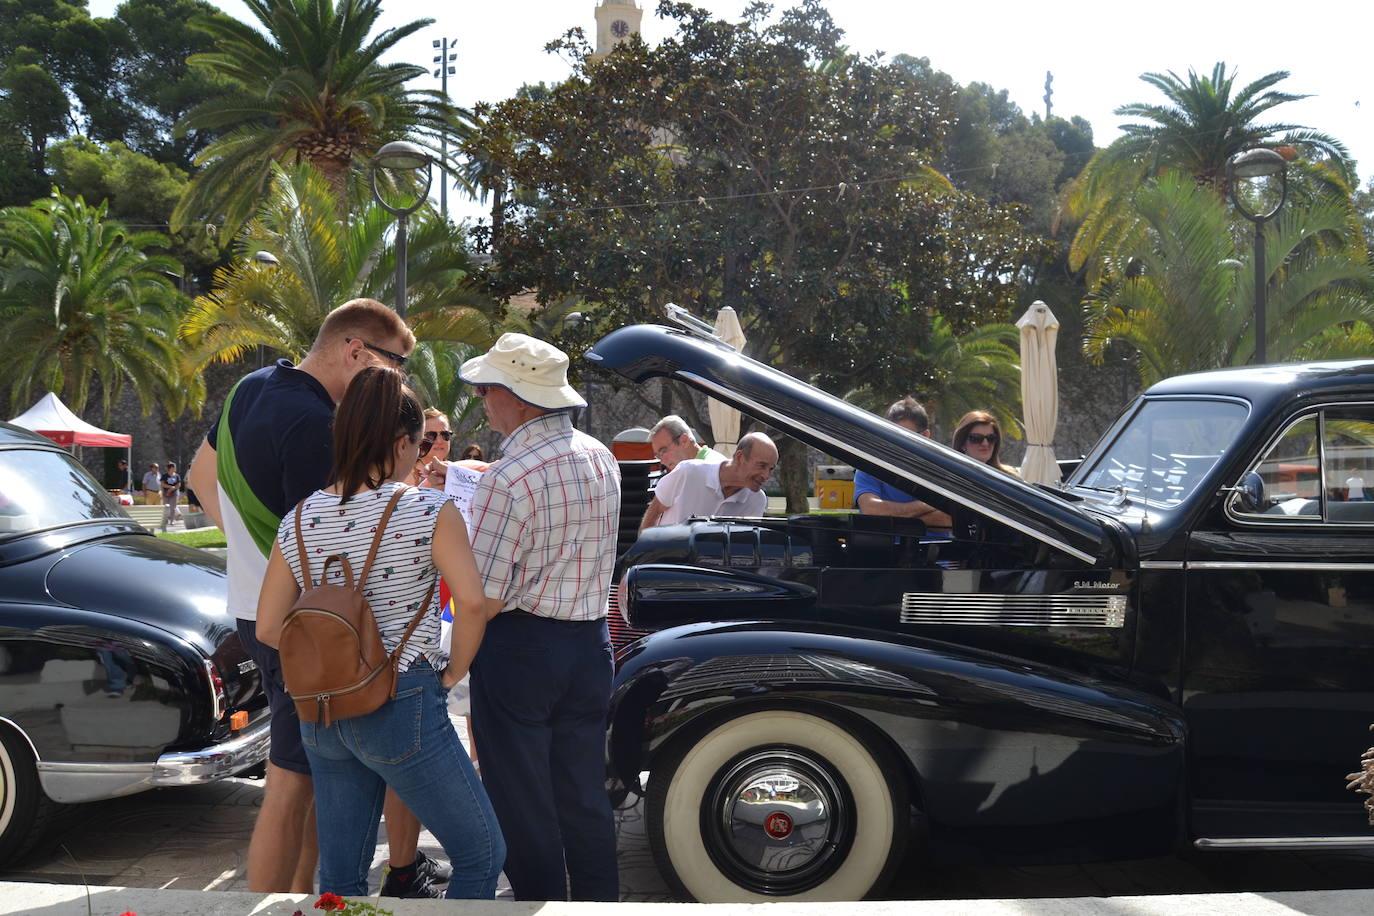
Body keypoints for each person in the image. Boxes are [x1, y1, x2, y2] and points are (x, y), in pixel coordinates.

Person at [186, 299, 444, 897]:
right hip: (302, 627)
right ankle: (287, 904)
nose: (398, 381)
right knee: (294, 784)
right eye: (395, 363)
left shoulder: (248, 388)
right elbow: (337, 545)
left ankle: (299, 902)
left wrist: (254, 555)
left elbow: (202, 476)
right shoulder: (315, 425)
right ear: (356, 349)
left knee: (303, 780)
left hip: (259, 611)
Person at [253, 367, 505, 900]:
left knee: (341, 878)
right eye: (420, 445)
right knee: (481, 854)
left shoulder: (298, 519)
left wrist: (336, 660)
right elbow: (474, 603)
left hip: (322, 711)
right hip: (400, 700)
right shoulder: (426, 509)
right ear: (400, 443)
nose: (424, 457)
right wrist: (451, 672)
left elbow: (270, 626)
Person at [459, 332, 622, 901]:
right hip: (590, 641)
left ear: (519, 398)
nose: (482, 399)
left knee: (521, 797)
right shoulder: (601, 455)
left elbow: (486, 595)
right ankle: (601, 905)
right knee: (582, 792)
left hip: (523, 647)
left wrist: (450, 664)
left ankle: (538, 904)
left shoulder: (509, 476)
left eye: (488, 390)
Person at [639, 431, 777, 531]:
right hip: (665, 565)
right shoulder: (689, 471)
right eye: (762, 466)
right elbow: (654, 511)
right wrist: (643, 555)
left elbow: (743, 546)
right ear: (740, 457)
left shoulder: (757, 500)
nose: (766, 475)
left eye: (771, 469)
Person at [854, 397, 952, 530]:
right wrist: (926, 506)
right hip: (885, 549)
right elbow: (871, 509)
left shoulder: (942, 471)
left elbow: (947, 519)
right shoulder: (871, 466)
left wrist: (889, 517)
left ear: (925, 436)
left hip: (933, 549)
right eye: (893, 435)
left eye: (906, 437)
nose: (899, 444)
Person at [953, 410, 1019, 476]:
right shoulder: (951, 476)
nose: (985, 443)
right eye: (976, 438)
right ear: (962, 443)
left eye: (991, 438)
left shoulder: (1008, 478)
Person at [649, 414, 725, 470]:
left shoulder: (710, 468)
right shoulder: (691, 470)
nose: (662, 461)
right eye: (658, 456)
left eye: (663, 451)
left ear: (684, 441)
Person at [410, 408, 452, 488]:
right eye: (431, 435)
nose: (439, 441)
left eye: (445, 434)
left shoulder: (458, 472)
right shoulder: (406, 476)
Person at [160, 462, 182, 530]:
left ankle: (172, 521)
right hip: (166, 493)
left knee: (173, 507)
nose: (175, 469)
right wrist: (170, 487)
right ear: (170, 468)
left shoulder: (177, 476)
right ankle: (165, 520)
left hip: (174, 493)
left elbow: (179, 484)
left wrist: (173, 488)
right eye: (174, 467)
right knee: (165, 507)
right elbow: (162, 484)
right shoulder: (165, 475)